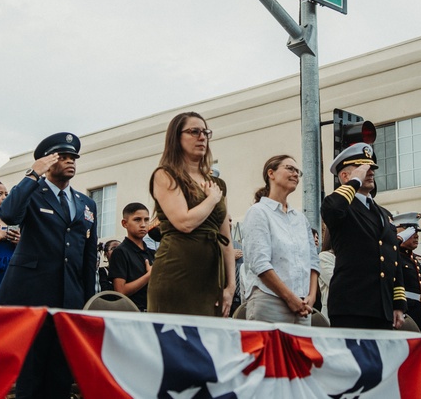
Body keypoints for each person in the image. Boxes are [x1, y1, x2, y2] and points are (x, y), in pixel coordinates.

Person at [0, 132, 98, 399]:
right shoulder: (33, 193)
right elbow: (8, 213)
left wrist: (86, 302)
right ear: (47, 161)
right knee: (31, 374)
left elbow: (88, 257)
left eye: (73, 157)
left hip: (69, 300)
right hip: (33, 296)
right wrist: (32, 174)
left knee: (60, 376)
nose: (70, 161)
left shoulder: (86, 203)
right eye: (62, 156)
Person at [146, 112, 236, 317]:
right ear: (176, 138)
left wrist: (231, 287)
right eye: (194, 132)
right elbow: (184, 222)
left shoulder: (218, 184)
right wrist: (212, 199)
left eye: (205, 132)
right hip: (176, 276)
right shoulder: (165, 174)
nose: (202, 137)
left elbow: (226, 241)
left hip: (212, 280)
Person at [321, 143, 406, 330]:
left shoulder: (383, 214)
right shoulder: (340, 206)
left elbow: (394, 258)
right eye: (363, 168)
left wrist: (398, 304)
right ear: (344, 176)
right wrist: (354, 182)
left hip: (382, 308)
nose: (370, 172)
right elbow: (333, 208)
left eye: (371, 168)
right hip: (352, 306)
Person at [241, 155, 320, 325]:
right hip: (270, 302)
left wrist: (311, 297)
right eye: (290, 169)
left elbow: (313, 261)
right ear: (271, 173)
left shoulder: (300, 218)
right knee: (269, 352)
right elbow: (260, 264)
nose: (295, 174)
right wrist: (290, 298)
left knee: (299, 352)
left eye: (298, 171)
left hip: (303, 306)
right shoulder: (258, 212)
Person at [108, 202, 156, 311]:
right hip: (132, 314)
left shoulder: (153, 253)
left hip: (153, 313)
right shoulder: (120, 252)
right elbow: (120, 291)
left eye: (146, 220)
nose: (143, 224)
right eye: (137, 220)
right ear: (125, 223)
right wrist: (149, 276)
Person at [393, 211, 421, 332]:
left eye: (416, 232)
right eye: (410, 231)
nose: (416, 235)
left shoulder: (417, 260)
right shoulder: (393, 256)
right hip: (405, 313)